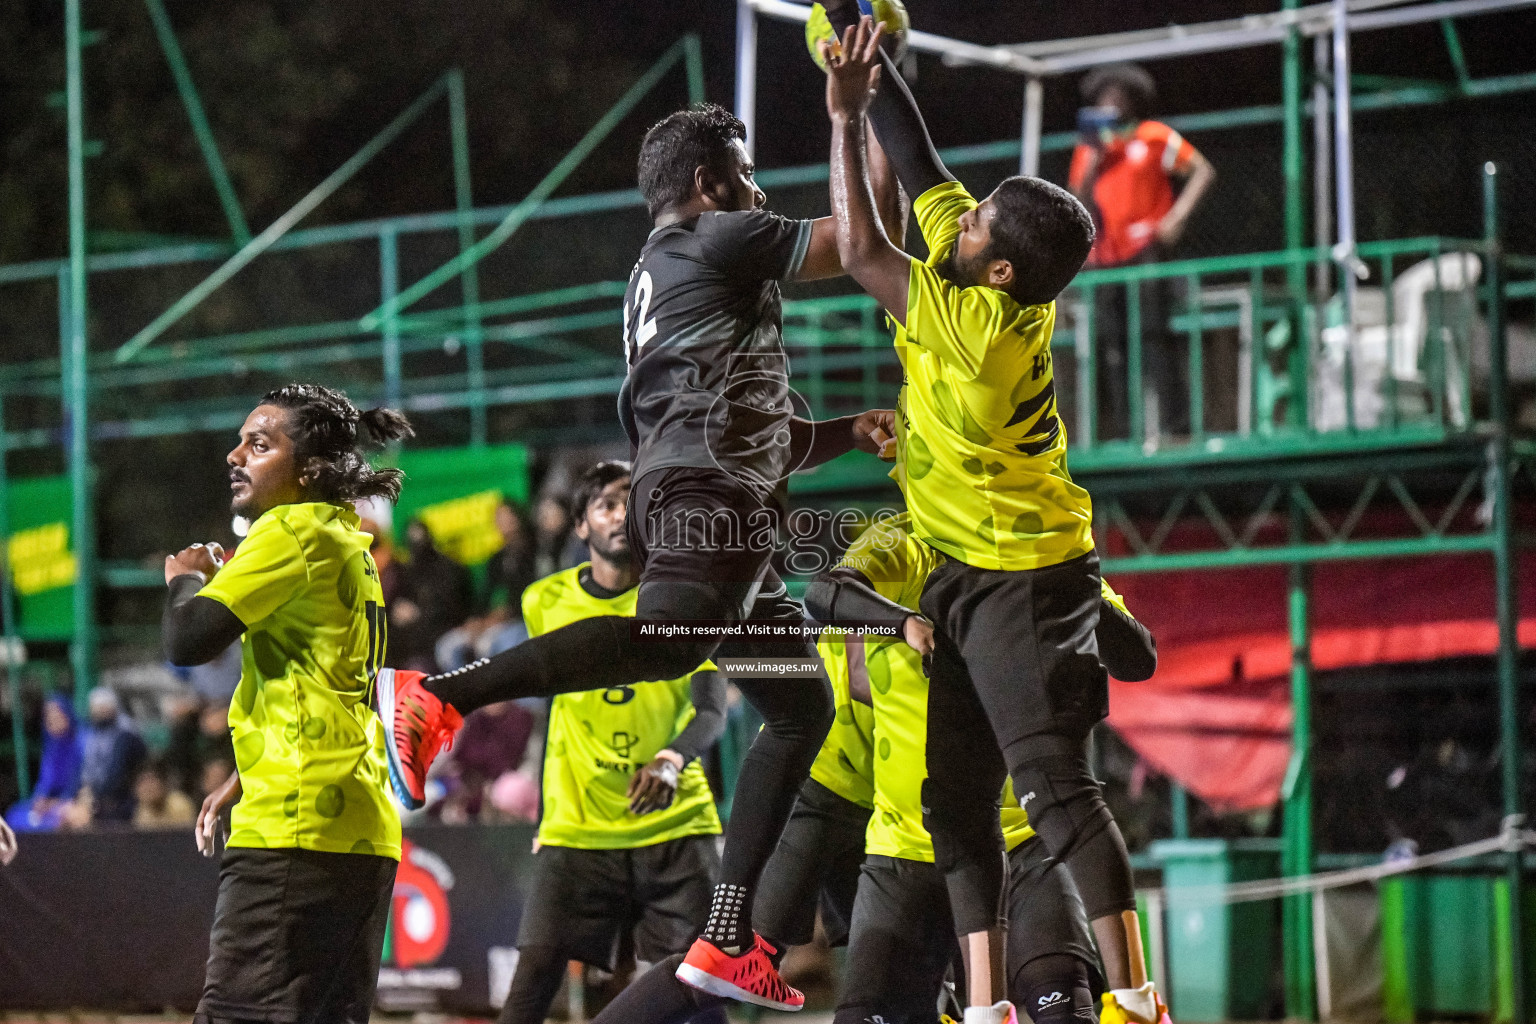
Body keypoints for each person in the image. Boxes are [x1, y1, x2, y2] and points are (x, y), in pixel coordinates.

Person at [381, 101, 904, 1009]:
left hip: (707, 485)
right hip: (709, 494)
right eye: (745, 172)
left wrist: (844, 436)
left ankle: (730, 936)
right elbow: (866, 239)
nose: (756, 187)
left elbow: (749, 419)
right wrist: (858, 114)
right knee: (667, 642)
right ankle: (436, 697)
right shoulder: (720, 237)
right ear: (709, 185)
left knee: (795, 709)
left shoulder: (667, 267)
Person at [818, 13, 1161, 1023]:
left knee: (1053, 789)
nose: (959, 222)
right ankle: (983, 1004)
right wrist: (874, 71)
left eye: (974, 228)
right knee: (954, 803)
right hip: (968, 563)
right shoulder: (987, 264)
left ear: (998, 269)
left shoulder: (973, 329)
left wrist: (841, 120)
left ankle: (1137, 997)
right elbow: (921, 163)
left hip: (1026, 572)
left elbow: (860, 250)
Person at [590, 512, 1156, 1024]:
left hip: (941, 822)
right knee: (725, 961)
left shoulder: (1044, 554)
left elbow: (1136, 657)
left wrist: (1073, 593)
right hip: (834, 796)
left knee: (1010, 985)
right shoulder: (900, 551)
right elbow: (828, 616)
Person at [162, 382, 412, 1024]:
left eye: (260, 443)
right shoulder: (344, 542)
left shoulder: (289, 532)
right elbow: (330, 686)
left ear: (309, 470)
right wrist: (250, 774)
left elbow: (187, 639)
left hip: (294, 833)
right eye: (241, 440)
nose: (235, 454)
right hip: (357, 829)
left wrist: (185, 576)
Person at [497, 461, 730, 1024]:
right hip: (579, 827)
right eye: (605, 503)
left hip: (675, 823)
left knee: (704, 988)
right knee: (532, 982)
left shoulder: (688, 600)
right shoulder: (543, 602)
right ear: (580, 526)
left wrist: (673, 760)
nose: (621, 514)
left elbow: (713, 707)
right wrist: (549, 821)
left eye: (633, 501)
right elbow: (554, 711)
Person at [1068, 63, 1216, 444]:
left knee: (1154, 335)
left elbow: (1203, 171)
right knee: (1114, 345)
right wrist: (1097, 157)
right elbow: (1077, 200)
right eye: (1106, 97)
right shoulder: (1089, 149)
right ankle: (1126, 433)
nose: (1112, 102)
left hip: (1147, 249)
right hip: (1105, 257)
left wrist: (1177, 217)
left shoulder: (1152, 136)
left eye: (1119, 96)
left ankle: (1177, 430)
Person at [5, 693, 83, 832]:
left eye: (57, 715)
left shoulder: (79, 745)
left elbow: (77, 783)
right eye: (49, 716)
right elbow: (44, 783)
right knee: (15, 815)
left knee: (63, 819)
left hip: (69, 803)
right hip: (47, 807)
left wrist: (57, 803)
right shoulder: (51, 747)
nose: (53, 720)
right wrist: (40, 800)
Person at [79, 686, 148, 825]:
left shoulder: (126, 734)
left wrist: (96, 795)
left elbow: (118, 773)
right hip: (96, 797)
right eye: (96, 707)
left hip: (123, 799)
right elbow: (84, 767)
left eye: (103, 706)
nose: (99, 711)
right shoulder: (92, 734)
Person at [133, 759, 196, 829]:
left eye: (151, 782)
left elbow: (186, 836)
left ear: (163, 783)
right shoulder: (142, 810)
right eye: (142, 783)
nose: (147, 788)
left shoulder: (179, 804)